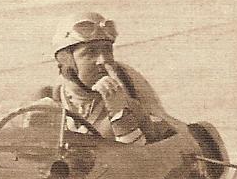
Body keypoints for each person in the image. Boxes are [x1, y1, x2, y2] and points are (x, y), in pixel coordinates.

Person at [42, 12, 154, 144]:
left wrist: (120, 114)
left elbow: (144, 155)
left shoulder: (130, 107)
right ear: (66, 60)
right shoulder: (47, 103)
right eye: (90, 52)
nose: (103, 60)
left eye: (108, 50)